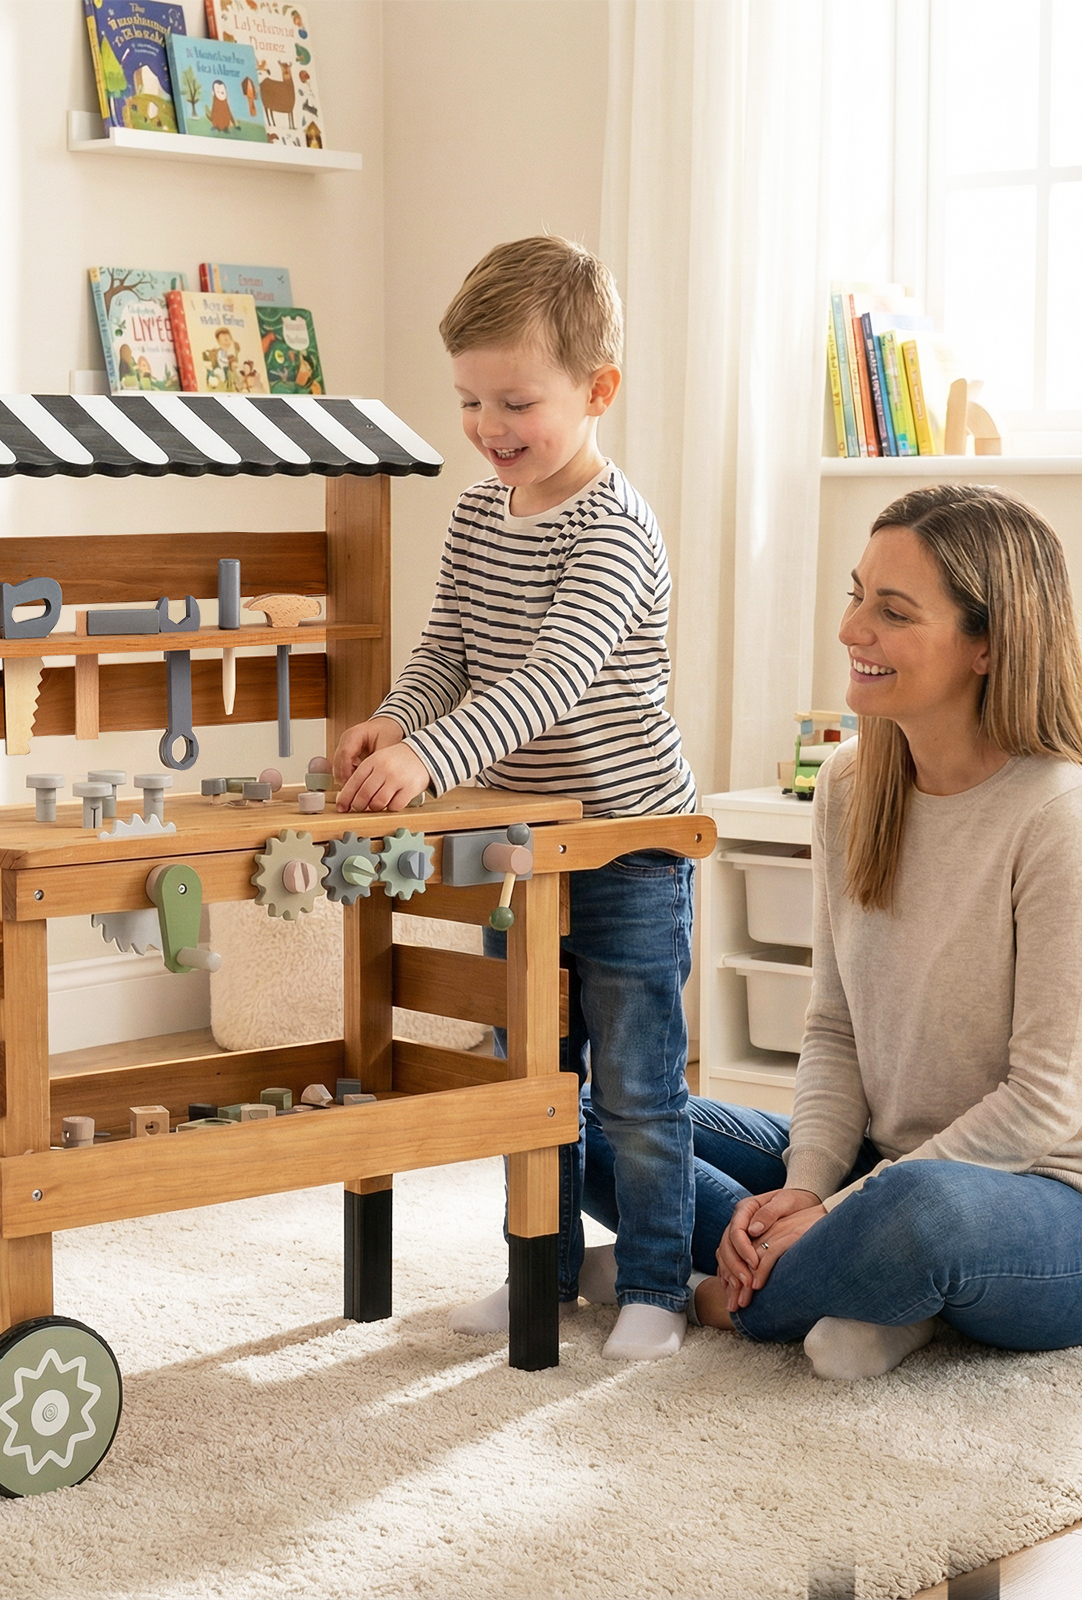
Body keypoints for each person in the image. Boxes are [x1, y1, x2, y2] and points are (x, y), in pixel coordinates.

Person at [594, 483, 1082, 1379]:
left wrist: (839, 1211)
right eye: (857, 596)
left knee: (922, 1214)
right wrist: (806, 1188)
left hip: (1078, 1213)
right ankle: (871, 1294)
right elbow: (834, 1027)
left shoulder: (1067, 813)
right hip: (888, 1161)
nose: (851, 629)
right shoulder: (852, 783)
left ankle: (693, 1289)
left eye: (893, 611)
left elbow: (1043, 1102)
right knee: (595, 1113)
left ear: (989, 644)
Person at [333, 236, 700, 1361]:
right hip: (528, 848)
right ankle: (537, 1261)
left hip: (626, 848)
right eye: (469, 400)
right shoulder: (477, 514)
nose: (489, 427)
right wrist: (399, 719)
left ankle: (656, 1284)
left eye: (517, 402)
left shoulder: (614, 530)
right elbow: (448, 648)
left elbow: (550, 678)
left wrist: (433, 763)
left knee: (636, 1087)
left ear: (598, 391)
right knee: (529, 1080)